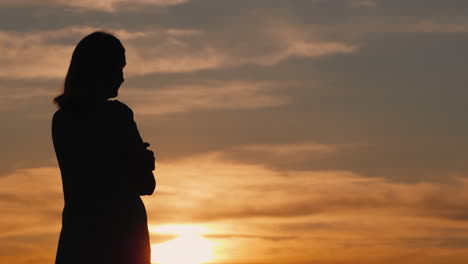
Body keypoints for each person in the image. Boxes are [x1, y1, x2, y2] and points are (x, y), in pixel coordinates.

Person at [51, 31, 156, 264]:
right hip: (122, 241)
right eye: (119, 68)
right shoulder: (117, 115)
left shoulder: (61, 121)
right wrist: (144, 161)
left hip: (77, 241)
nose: (122, 77)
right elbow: (146, 184)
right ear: (100, 70)